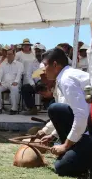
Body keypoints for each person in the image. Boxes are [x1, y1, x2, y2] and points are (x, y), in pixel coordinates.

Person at [36, 47, 92, 177]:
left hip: (89, 129)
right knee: (57, 109)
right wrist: (53, 135)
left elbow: (81, 115)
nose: (43, 70)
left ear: (55, 65)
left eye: (45, 65)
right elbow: (69, 111)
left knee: (61, 167)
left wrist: (65, 146)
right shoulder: (66, 76)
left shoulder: (67, 79)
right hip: (87, 126)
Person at [0, 46, 24, 115]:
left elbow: (19, 74)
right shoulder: (3, 64)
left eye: (10, 54)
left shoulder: (19, 64)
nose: (9, 56)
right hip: (4, 83)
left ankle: (14, 108)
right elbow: (0, 74)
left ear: (14, 55)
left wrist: (16, 81)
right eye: (7, 54)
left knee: (14, 88)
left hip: (14, 82)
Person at [21, 43, 46, 115]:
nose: (38, 53)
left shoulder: (48, 62)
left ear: (44, 52)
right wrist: (32, 84)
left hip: (47, 85)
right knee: (25, 88)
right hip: (36, 84)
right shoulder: (32, 62)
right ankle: (32, 108)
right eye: (37, 51)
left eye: (40, 51)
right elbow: (28, 75)